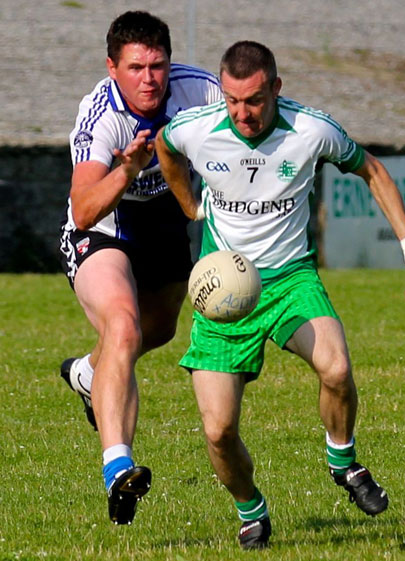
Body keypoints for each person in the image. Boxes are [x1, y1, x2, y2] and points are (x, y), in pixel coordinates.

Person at [155, 40, 405, 549]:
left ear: (276, 89)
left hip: (290, 279)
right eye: (234, 100)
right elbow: (165, 147)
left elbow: (372, 169)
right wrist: (189, 203)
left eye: (256, 100)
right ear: (223, 92)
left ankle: (343, 462)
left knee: (337, 368)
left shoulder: (312, 131)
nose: (244, 113)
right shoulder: (198, 128)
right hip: (222, 289)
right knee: (218, 431)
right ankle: (251, 510)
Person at [59, 10, 222, 526]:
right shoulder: (100, 115)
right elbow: (84, 207)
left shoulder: (199, 91)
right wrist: (127, 168)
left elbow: (247, 123)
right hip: (102, 227)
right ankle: (117, 467)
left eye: (157, 66)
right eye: (135, 67)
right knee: (123, 327)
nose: (148, 79)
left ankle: (88, 372)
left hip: (163, 222)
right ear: (112, 67)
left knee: (158, 329)